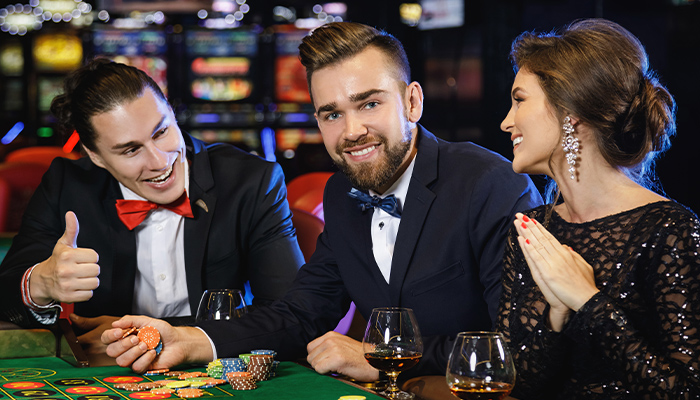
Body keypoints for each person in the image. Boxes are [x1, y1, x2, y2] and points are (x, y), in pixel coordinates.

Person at [102, 21, 542, 381]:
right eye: (332, 114)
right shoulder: (342, 192)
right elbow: (301, 313)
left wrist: (379, 355)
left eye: (369, 104)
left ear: (412, 102)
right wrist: (188, 339)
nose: (351, 131)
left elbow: (523, 351)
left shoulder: (490, 184)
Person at [0, 59, 305, 359]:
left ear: (172, 113)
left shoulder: (251, 181)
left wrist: (148, 336)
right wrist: (40, 282)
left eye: (161, 132)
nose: (160, 161)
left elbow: (291, 314)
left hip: (218, 365)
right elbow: (5, 295)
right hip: (106, 372)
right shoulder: (66, 186)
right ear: (95, 156)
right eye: (131, 150)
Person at [495, 18, 700, 399]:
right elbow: (516, 383)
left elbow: (685, 391)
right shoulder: (531, 228)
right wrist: (556, 314)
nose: (507, 121)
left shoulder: (668, 228)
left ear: (569, 111)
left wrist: (587, 302)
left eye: (519, 100)